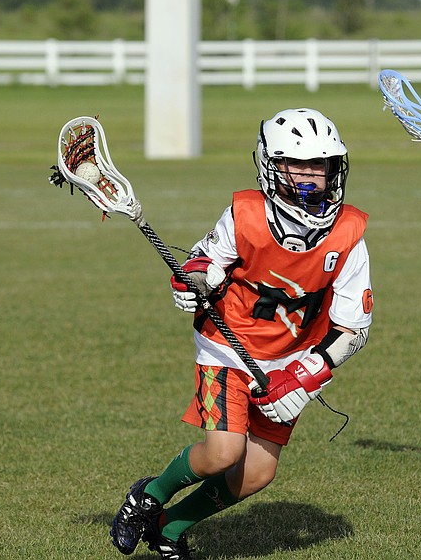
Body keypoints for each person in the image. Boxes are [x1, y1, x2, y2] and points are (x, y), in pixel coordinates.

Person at [109, 108, 373, 557]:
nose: (312, 176)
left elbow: (354, 327)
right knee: (223, 453)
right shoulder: (244, 214)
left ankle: (169, 528)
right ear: (272, 166)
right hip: (228, 347)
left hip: (290, 362)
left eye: (320, 165)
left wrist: (304, 376)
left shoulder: (349, 233)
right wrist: (195, 281)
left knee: (256, 474)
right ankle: (148, 496)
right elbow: (203, 263)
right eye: (298, 165)